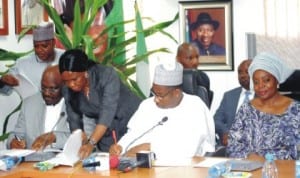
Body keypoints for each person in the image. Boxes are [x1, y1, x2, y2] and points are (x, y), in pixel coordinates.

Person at [109, 62, 215, 159]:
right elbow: (133, 133)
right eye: (154, 93)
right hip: (141, 165)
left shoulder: (195, 107)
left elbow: (188, 149)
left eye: (160, 95)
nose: (155, 99)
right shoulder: (147, 105)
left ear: (176, 93)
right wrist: (120, 146)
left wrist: (150, 148)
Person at [58, 49, 142, 159]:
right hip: (106, 132)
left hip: (131, 122)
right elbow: (74, 119)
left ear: (85, 72)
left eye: (75, 79)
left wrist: (91, 143)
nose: (71, 85)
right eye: (66, 81)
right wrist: (80, 140)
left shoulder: (106, 75)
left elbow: (107, 112)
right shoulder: (68, 89)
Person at [227, 52, 300, 160]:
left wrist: (266, 159)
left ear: (277, 80)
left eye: (266, 80)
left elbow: (296, 151)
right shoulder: (246, 109)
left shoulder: (295, 110)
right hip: (249, 169)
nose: (261, 86)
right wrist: (250, 157)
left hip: (283, 170)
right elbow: (233, 146)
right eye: (256, 82)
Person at [7, 66, 69, 160]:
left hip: (65, 167)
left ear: (64, 86)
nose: (47, 93)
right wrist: (13, 142)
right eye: (43, 88)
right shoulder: (29, 103)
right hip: (32, 166)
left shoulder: (76, 104)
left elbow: (83, 138)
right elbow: (17, 134)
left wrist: (54, 137)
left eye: (53, 89)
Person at [0, 22, 64, 98]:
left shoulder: (66, 58)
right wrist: (3, 82)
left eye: (44, 46)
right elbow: (6, 91)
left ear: (53, 42)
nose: (40, 50)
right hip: (32, 107)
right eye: (36, 46)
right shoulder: (22, 63)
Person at [214, 59, 253, 146]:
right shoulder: (229, 96)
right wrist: (225, 132)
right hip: (229, 145)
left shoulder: (264, 96)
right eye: (240, 72)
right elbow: (216, 120)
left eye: (247, 72)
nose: (242, 75)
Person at [176, 42, 213, 107]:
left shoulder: (203, 77)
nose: (195, 62)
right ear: (178, 59)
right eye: (190, 58)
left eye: (197, 57)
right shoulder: (167, 78)